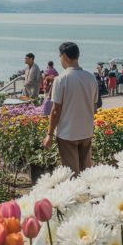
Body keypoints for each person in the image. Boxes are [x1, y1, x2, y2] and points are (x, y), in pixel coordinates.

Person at [43, 42, 99, 174]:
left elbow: (56, 110)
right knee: (86, 172)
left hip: (67, 133)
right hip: (86, 132)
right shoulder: (91, 77)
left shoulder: (61, 79)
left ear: (64, 56)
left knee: (71, 174)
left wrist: (49, 134)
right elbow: (94, 107)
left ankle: (77, 194)